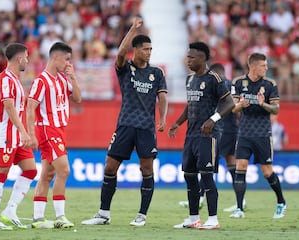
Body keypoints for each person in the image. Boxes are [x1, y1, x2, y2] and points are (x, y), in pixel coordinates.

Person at [81, 17, 168, 227]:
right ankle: (103, 214)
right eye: (145, 49)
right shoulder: (125, 69)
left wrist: (163, 118)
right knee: (110, 167)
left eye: (151, 49)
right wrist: (131, 30)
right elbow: (120, 53)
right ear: (136, 50)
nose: (149, 52)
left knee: (147, 170)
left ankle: (142, 215)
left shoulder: (156, 73)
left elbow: (162, 96)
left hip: (146, 128)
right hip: (125, 126)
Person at [169, 42, 235, 230]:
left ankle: (213, 219)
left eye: (192, 57)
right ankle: (193, 218)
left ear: (203, 58)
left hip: (208, 135)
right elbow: (191, 104)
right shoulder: (190, 79)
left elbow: (229, 103)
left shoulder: (214, 78)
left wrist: (213, 119)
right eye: (187, 57)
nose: (188, 60)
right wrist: (178, 123)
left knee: (206, 177)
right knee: (190, 176)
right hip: (191, 135)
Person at [26, 42, 82, 229]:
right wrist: (31, 134)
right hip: (48, 130)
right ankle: (60, 216)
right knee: (64, 170)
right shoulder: (41, 80)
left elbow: (77, 98)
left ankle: (38, 219)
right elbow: (31, 108)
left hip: (59, 130)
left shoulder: (61, 79)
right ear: (55, 57)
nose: (68, 63)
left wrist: (73, 78)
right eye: (66, 59)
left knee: (47, 175)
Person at [177, 63, 246, 212]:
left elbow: (230, 106)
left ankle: (206, 200)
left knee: (206, 165)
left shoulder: (218, 83)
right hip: (230, 130)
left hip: (219, 130)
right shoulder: (230, 84)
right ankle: (240, 202)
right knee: (227, 165)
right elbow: (236, 109)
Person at [0, 43, 37, 230]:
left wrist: (25, 133)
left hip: (17, 134)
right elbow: (9, 107)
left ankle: (10, 210)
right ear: (19, 58)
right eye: (26, 56)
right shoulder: (5, 79)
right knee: (1, 173)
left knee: (31, 170)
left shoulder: (16, 79)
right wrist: (24, 131)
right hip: (4, 134)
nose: (28, 60)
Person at [229, 52, 287, 219]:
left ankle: (281, 202)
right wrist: (240, 104)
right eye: (263, 66)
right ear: (253, 66)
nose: (266, 68)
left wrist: (264, 104)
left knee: (267, 171)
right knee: (240, 167)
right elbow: (232, 108)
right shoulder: (238, 82)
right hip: (244, 133)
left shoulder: (270, 84)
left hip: (263, 133)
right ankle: (239, 208)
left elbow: (276, 109)